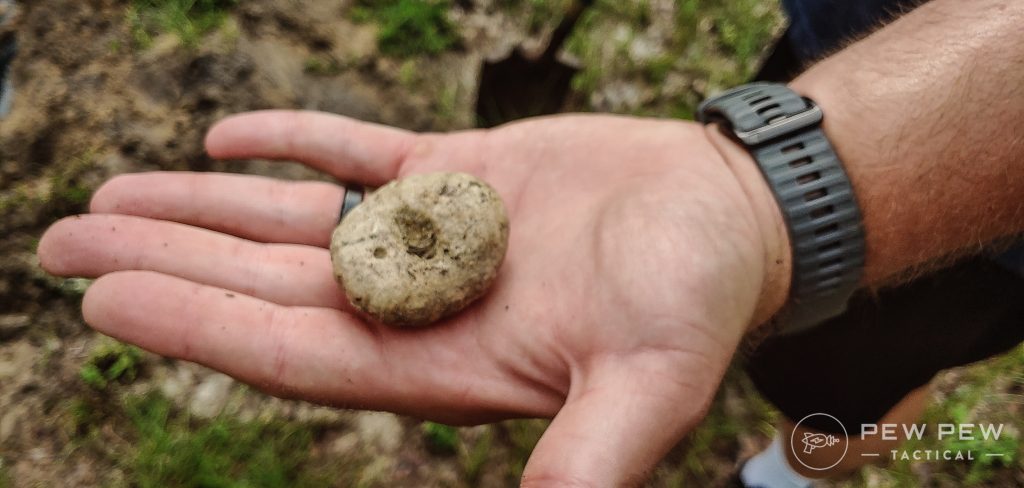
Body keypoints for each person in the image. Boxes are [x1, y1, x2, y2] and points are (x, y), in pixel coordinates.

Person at [36, 0, 1024, 486]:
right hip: (863, 41)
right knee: (803, 318)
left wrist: (784, 193)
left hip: (1000, 214)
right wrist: (770, 171)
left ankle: (788, 471)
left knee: (864, 372)